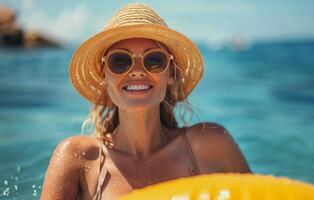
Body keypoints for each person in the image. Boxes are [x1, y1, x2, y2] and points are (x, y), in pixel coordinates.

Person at [40, 3, 251, 200]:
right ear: (103, 73)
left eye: (154, 60)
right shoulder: (78, 158)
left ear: (171, 74)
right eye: (120, 61)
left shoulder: (211, 145)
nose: (138, 72)